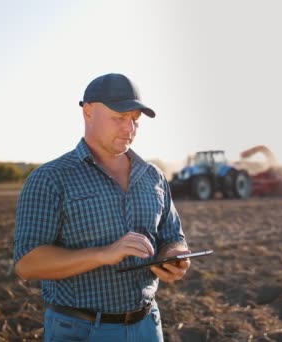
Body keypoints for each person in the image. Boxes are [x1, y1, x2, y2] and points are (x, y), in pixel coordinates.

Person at [13, 73, 190, 341]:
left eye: (134, 120)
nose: (129, 129)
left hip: (147, 326)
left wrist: (174, 256)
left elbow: (173, 236)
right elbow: (27, 264)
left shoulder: (153, 176)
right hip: (80, 330)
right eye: (119, 118)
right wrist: (104, 254)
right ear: (88, 112)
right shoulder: (50, 178)